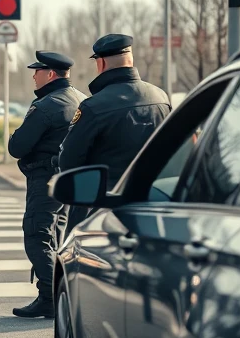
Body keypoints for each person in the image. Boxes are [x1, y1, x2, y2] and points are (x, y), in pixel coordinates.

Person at [58, 34, 171, 224]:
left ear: (101, 63)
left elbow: (69, 163)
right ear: (131, 59)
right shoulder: (161, 97)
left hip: (103, 212)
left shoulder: (93, 107)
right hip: (154, 205)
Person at [7, 51, 86, 319]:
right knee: (58, 238)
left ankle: (50, 297)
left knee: (37, 236)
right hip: (70, 180)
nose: (33, 75)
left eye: (37, 71)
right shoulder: (81, 99)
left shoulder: (47, 106)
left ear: (50, 74)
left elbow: (17, 146)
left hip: (45, 181)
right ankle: (57, 295)